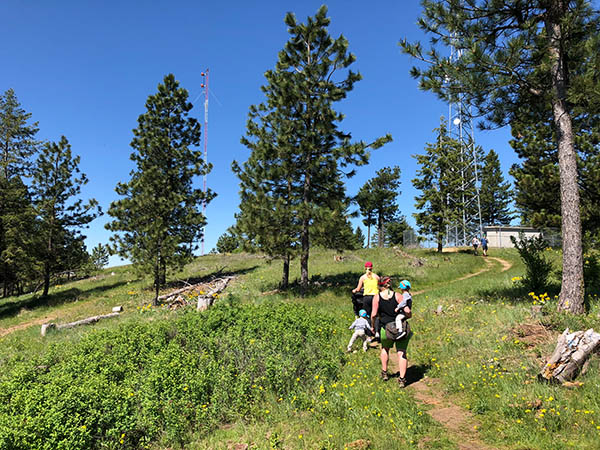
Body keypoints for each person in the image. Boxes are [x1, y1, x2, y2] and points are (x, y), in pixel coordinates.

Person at [371, 277, 412, 387]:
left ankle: (384, 373)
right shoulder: (398, 295)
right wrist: (407, 315)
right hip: (401, 328)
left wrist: (373, 326)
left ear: (379, 286)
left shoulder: (377, 297)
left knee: (385, 349)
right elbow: (408, 311)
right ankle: (402, 379)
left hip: (386, 328)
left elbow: (374, 314)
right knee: (401, 352)